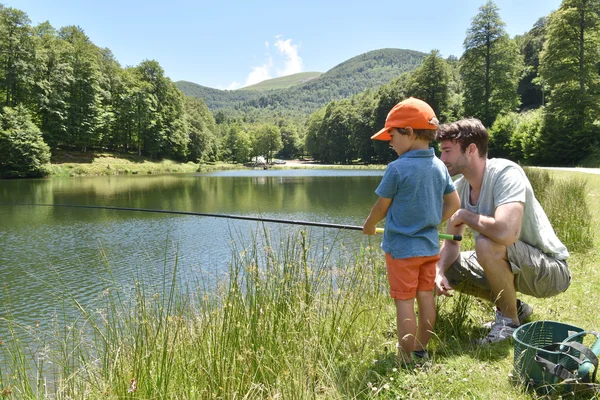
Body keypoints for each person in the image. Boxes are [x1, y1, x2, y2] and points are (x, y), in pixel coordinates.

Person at [434, 118, 571, 344]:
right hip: (517, 263)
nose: (442, 159)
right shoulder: (460, 188)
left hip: (550, 271)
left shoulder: (506, 173)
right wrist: (438, 270)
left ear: (471, 149)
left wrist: (466, 215)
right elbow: (451, 243)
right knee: (449, 266)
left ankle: (508, 323)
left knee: (486, 244)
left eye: (447, 151)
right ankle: (515, 308)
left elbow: (507, 233)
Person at [363, 97, 460, 367]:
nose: (390, 142)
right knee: (426, 298)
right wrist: (430, 222)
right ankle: (420, 349)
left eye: (392, 136)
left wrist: (370, 225)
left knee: (404, 302)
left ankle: (406, 356)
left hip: (402, 251)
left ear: (408, 131)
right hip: (429, 248)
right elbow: (454, 204)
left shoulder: (397, 169)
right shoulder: (439, 167)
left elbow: (382, 206)